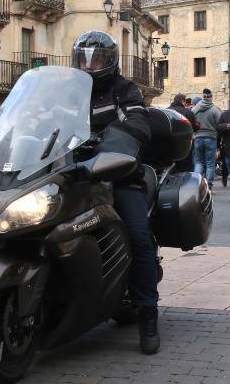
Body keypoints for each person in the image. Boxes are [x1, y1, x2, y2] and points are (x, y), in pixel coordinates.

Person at [71, 31, 160, 354]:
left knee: (137, 236)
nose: (90, 65)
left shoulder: (124, 89)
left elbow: (138, 122)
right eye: (84, 58)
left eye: (97, 59)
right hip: (74, 174)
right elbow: (40, 117)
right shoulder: (69, 91)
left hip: (119, 175)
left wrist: (110, 136)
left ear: (110, 61)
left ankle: (148, 311)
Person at [192, 88, 221, 193]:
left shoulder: (195, 109)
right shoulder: (214, 110)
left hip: (198, 137)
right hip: (210, 137)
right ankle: (209, 187)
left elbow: (191, 121)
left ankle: (195, 185)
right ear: (211, 97)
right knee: (210, 164)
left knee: (199, 162)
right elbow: (219, 123)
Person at [168, 93, 199, 173]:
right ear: (183, 101)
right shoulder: (187, 112)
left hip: (169, 144)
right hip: (185, 144)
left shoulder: (167, 110)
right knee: (185, 168)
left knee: (171, 168)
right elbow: (196, 127)